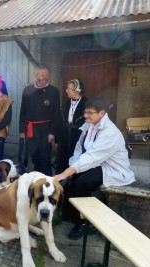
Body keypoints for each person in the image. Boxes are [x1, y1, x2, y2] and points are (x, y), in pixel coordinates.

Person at [54, 97, 135, 240]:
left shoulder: (110, 132)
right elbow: (79, 148)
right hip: (97, 163)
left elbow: (93, 156)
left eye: (91, 113)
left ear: (102, 113)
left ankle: (83, 222)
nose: (86, 115)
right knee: (74, 178)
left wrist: (68, 171)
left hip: (112, 168)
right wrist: (72, 166)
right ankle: (72, 214)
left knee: (83, 182)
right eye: (85, 112)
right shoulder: (90, 125)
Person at [18, 66, 61, 176]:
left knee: (45, 157)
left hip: (46, 130)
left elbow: (56, 114)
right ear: (36, 76)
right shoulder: (27, 90)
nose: (45, 77)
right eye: (42, 75)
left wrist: (53, 132)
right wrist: (22, 130)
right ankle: (37, 179)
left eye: (46, 75)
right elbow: (23, 111)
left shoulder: (54, 91)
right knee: (34, 156)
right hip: (31, 129)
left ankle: (48, 181)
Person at [55, 78, 88, 174]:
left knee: (76, 159)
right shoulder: (66, 103)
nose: (66, 90)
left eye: (69, 88)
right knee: (63, 161)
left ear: (77, 90)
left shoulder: (86, 103)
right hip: (64, 137)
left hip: (77, 137)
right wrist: (57, 139)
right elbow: (60, 122)